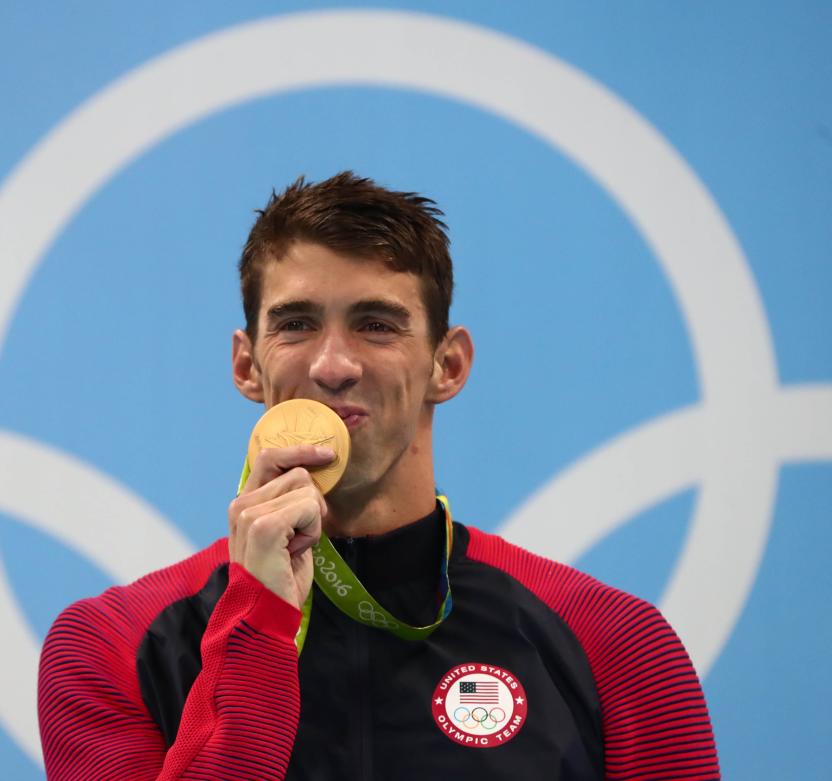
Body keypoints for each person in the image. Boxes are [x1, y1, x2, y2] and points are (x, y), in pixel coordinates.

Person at [38, 172, 720, 780]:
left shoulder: (615, 642)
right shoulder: (112, 646)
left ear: (447, 365)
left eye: (377, 324)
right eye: (297, 323)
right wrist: (259, 625)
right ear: (247, 365)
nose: (335, 364)